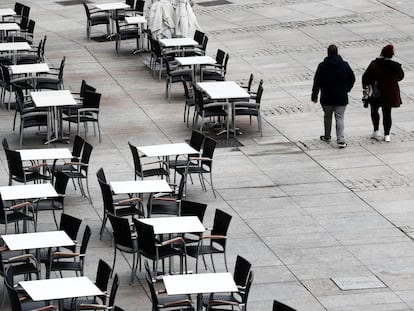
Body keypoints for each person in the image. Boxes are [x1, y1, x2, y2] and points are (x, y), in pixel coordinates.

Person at [311, 44, 355, 148]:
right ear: (337, 52)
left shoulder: (322, 66)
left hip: (326, 97)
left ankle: (327, 135)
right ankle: (340, 139)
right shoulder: (345, 65)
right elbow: (352, 78)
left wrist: (314, 94)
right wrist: (347, 89)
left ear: (328, 53)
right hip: (341, 97)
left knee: (327, 116)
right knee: (340, 117)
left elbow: (316, 81)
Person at [362, 44, 404, 142]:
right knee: (387, 113)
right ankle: (387, 134)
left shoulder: (374, 64)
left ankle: (376, 130)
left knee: (374, 110)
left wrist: (368, 88)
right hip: (390, 93)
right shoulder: (395, 66)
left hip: (377, 92)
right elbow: (401, 76)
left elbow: (366, 77)